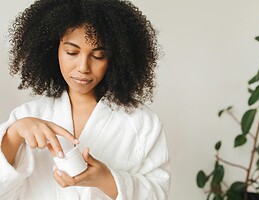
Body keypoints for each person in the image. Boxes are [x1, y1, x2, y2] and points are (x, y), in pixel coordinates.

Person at [0, 0, 170, 199]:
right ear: (52, 49)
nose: (83, 67)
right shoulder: (28, 116)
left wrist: (106, 180)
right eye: (72, 52)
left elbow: (158, 194)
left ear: (115, 58)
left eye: (98, 56)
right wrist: (13, 136)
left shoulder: (143, 124)